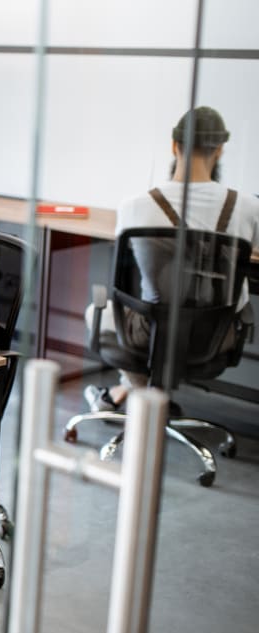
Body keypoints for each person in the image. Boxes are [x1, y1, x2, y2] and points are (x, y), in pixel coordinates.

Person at [83, 107, 259, 413]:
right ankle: (140, 399)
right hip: (215, 336)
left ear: (174, 146)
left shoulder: (133, 207)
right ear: (219, 151)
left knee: (95, 310)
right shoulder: (247, 208)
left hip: (150, 331)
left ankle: (139, 397)